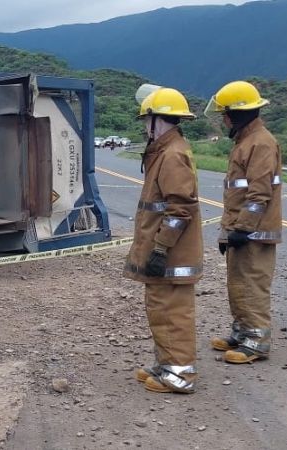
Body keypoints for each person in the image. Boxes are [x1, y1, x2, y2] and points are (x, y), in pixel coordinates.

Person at [125, 87, 203, 394]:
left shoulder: (172, 155)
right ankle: (166, 365)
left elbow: (180, 209)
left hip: (172, 253)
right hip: (165, 250)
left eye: (147, 120)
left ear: (158, 120)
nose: (145, 127)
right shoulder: (164, 151)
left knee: (173, 312)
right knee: (160, 308)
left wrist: (160, 248)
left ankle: (179, 375)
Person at [204, 80, 282, 364]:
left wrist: (243, 229)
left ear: (237, 113)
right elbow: (237, 194)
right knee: (237, 284)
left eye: (225, 113)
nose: (223, 119)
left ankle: (257, 342)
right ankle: (242, 332)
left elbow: (258, 194)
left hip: (254, 232)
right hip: (241, 230)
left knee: (252, 286)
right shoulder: (246, 141)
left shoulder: (261, 143)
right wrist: (229, 232)